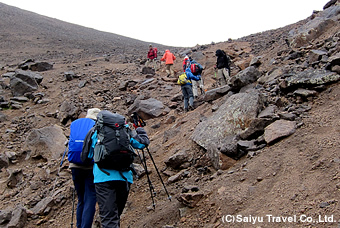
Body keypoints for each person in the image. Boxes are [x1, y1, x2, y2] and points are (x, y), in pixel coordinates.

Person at [84, 111, 149, 228]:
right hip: (124, 178)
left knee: (109, 218)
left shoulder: (96, 132)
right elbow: (142, 144)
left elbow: (86, 156)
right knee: (115, 215)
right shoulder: (125, 130)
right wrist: (140, 130)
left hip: (103, 177)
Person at [68, 108, 101, 228]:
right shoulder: (97, 125)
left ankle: (79, 225)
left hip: (75, 166)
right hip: (90, 166)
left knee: (81, 198)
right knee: (90, 197)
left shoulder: (76, 124)